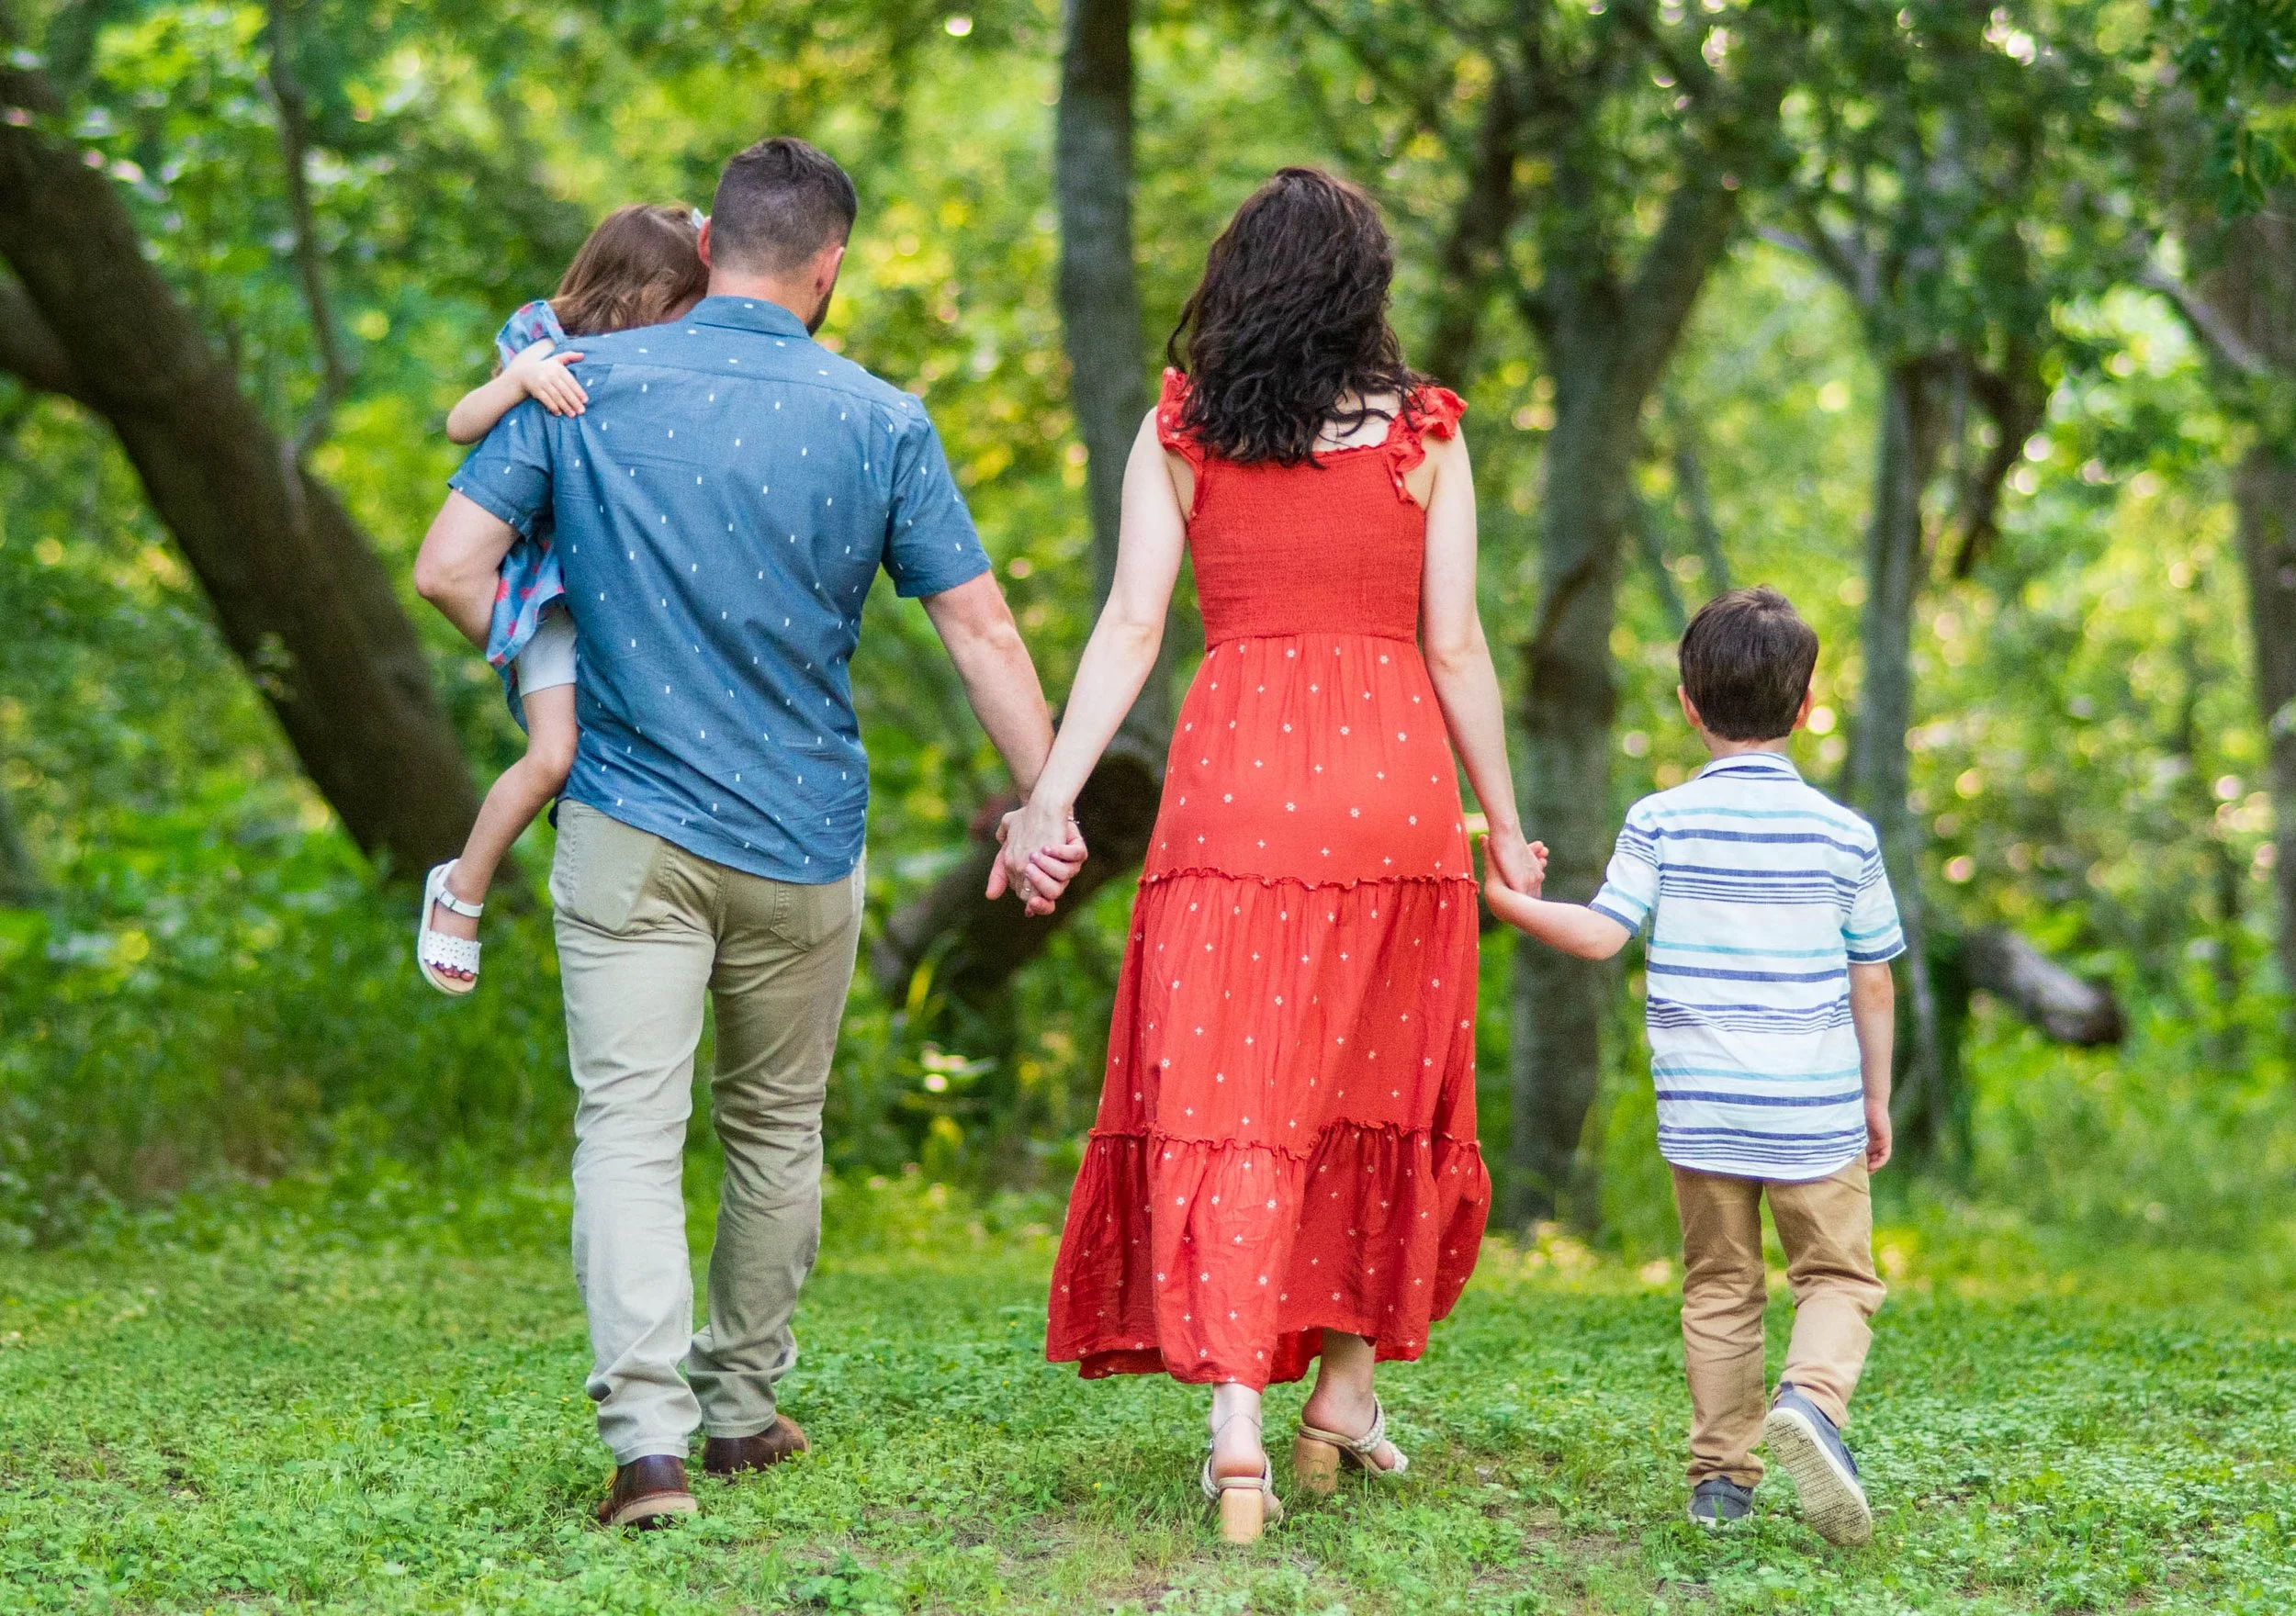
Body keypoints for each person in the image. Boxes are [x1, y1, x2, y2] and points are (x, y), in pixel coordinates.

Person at [412, 136, 1085, 1529]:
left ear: (709, 245)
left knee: (630, 1130)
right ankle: (739, 1409)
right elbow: (981, 628)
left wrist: (552, 673)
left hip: (627, 825)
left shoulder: (578, 385)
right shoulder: (881, 417)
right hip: (800, 840)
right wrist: (1044, 808)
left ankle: (647, 1447)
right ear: (829, 268)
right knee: (776, 1130)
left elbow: (448, 569)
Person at [1005, 168, 1537, 1544]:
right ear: (1366, 290)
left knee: (1234, 1102)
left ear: (1234, 280)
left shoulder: (1182, 425)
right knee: (1382, 1090)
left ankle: (1238, 1431)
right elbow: (1456, 643)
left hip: (1234, 785)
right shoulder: (1426, 430)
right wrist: (1509, 821)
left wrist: (1048, 800)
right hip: (1392, 791)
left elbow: (1130, 628)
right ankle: (1338, 1405)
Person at [1481, 586, 1898, 1545]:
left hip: (1704, 1107)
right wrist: (1872, 1094)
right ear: (1804, 708)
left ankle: (1720, 1482)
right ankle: (1812, 1400)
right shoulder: (1843, 834)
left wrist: (1509, 901)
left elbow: (1596, 934)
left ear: (1686, 702)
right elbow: (1870, 980)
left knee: (1719, 1284)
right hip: (1812, 1106)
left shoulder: (1660, 820)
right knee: (1835, 1276)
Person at [413, 203, 711, 994]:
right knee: (552, 756)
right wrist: (517, 380)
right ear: (643, 291)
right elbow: (458, 425)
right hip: (545, 598)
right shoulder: (545, 345)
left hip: (612, 595)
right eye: (688, 300)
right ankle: (461, 889)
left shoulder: (667, 370)